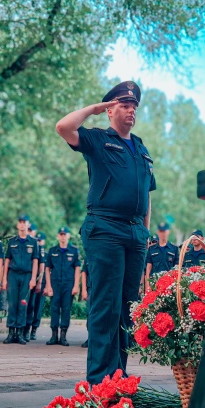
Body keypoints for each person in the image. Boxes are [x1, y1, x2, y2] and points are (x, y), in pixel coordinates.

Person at [55, 81, 155, 384]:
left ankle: (119, 377)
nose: (131, 110)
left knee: (126, 309)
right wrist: (98, 108)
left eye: (134, 106)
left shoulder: (141, 147)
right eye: (125, 105)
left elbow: (147, 195)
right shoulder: (98, 139)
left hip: (135, 234)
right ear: (111, 110)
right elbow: (63, 127)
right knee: (105, 307)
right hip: (105, 230)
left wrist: (145, 235)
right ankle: (100, 382)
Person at [2, 215, 39, 345]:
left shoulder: (33, 242)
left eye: (25, 222)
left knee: (23, 304)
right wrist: (4, 278)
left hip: (26, 276)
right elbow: (7, 260)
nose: (22, 225)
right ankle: (11, 332)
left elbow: (35, 261)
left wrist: (33, 278)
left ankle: (20, 332)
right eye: (20, 222)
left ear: (28, 225)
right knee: (12, 303)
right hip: (13, 274)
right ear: (18, 225)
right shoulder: (12, 241)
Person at [43, 227, 80, 347]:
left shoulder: (74, 251)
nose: (63, 236)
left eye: (65, 234)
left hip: (68, 285)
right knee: (54, 309)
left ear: (68, 236)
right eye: (61, 234)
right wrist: (48, 286)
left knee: (66, 309)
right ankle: (54, 335)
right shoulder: (52, 250)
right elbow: (47, 268)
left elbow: (77, 269)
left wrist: (76, 286)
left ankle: (63, 336)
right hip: (55, 284)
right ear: (58, 236)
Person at [144, 223, 179, 292]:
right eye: (161, 231)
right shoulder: (152, 249)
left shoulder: (174, 248)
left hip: (169, 283)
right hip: (154, 282)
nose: (163, 234)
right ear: (158, 232)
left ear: (168, 232)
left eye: (164, 231)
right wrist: (147, 285)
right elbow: (148, 268)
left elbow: (177, 268)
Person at [25, 230, 46, 341]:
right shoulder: (29, 248)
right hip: (30, 281)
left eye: (40, 240)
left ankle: (34, 330)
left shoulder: (43, 251)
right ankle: (26, 329)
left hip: (41, 282)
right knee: (29, 306)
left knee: (37, 307)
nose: (38, 242)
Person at [80, 257, 89, 348]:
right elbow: (84, 272)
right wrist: (84, 290)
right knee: (90, 315)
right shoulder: (89, 254)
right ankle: (90, 337)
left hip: (102, 289)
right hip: (90, 289)